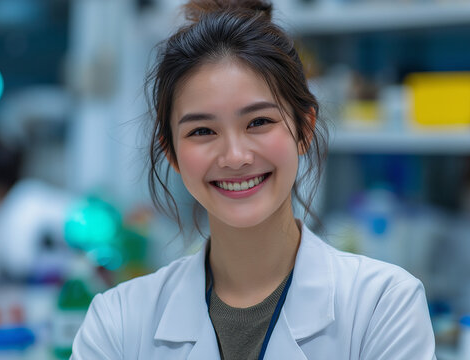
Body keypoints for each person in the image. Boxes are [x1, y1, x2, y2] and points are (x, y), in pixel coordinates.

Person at [71, 0, 436, 359]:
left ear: (304, 129)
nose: (235, 157)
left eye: (259, 122)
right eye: (202, 130)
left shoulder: (383, 307)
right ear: (172, 154)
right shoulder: (116, 323)